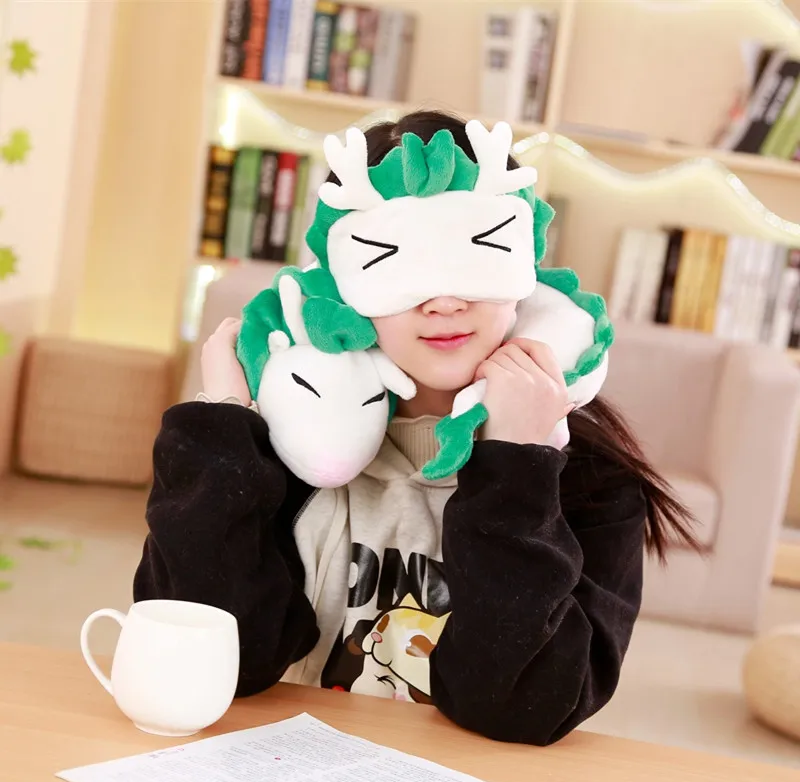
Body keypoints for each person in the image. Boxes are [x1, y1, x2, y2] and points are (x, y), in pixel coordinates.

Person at [133, 110, 697, 746]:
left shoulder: (592, 483)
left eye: (476, 257)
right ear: (341, 288)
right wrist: (223, 423)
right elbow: (216, 664)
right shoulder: (283, 446)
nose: (445, 302)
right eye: (396, 265)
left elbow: (521, 709)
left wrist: (519, 463)